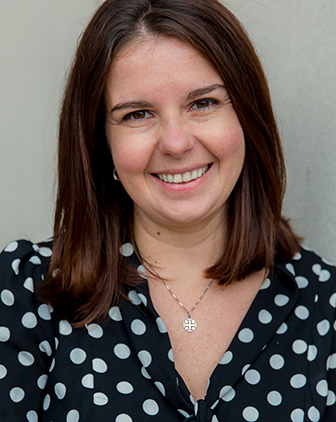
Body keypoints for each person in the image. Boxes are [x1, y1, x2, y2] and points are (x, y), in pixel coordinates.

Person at [0, 0, 335, 420]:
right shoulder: (26, 293)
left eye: (203, 103)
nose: (175, 143)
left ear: (248, 117)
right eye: (138, 114)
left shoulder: (327, 305)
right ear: (100, 144)